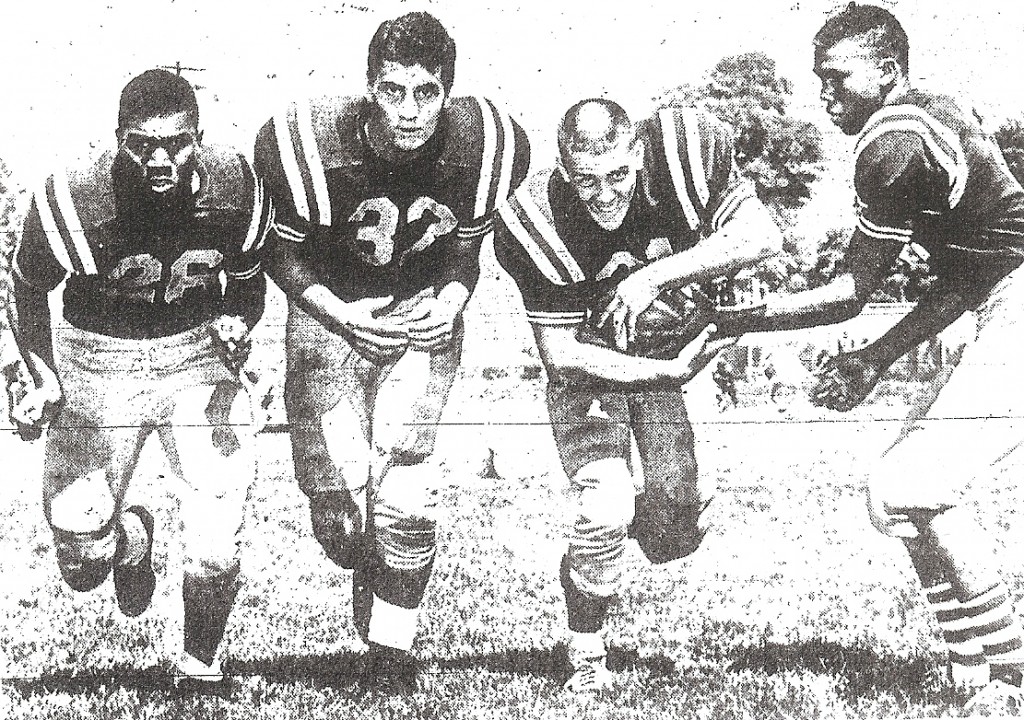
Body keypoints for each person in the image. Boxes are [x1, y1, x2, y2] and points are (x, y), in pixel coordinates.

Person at [722, 4, 1024, 709]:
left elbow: (853, 291)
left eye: (837, 78)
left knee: (917, 486)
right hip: (999, 296)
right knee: (890, 496)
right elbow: (972, 276)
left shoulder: (891, 144)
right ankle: (971, 671)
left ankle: (1013, 682)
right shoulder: (930, 112)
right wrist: (877, 359)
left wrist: (732, 316)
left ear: (888, 70)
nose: (825, 97)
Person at [253, 11, 530, 692]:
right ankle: (370, 568)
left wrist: (451, 303)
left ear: (450, 90)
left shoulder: (487, 144)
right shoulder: (309, 141)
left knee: (407, 493)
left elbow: (467, 254)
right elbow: (281, 255)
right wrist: (340, 315)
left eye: (427, 91)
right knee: (342, 521)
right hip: (328, 316)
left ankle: (391, 653)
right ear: (367, 87)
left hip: (419, 315)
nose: (409, 110)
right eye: (393, 89)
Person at [494, 98, 781, 692]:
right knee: (605, 508)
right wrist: (662, 375)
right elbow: (561, 355)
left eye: (618, 175)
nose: (604, 195)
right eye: (586, 180)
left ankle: (642, 528)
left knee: (676, 530)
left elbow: (761, 235)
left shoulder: (682, 150)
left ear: (639, 154)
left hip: (664, 349)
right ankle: (586, 654)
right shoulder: (532, 217)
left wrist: (651, 277)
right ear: (562, 169)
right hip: (595, 370)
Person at [9, 68, 271, 683]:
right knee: (80, 554)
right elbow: (27, 287)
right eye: (142, 144)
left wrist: (238, 318)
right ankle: (129, 537)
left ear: (198, 139)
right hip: (98, 358)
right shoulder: (74, 196)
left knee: (217, 532)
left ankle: (199, 664)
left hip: (195, 353)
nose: (161, 159)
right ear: (117, 139)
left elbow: (249, 282)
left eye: (177, 143)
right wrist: (43, 375)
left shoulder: (235, 188)